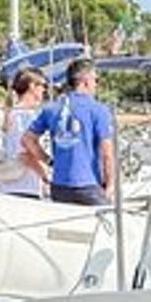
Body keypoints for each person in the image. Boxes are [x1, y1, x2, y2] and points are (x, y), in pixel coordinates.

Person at [23, 57, 115, 206]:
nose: (96, 85)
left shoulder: (51, 108)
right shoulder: (99, 110)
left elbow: (27, 139)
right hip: (88, 185)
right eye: (95, 80)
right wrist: (110, 186)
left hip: (59, 186)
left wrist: (49, 160)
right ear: (86, 81)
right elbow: (107, 154)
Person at [0, 68, 49, 198]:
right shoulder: (25, 116)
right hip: (24, 188)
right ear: (32, 86)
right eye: (42, 85)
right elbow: (26, 154)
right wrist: (47, 176)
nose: (44, 90)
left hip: (9, 187)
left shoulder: (12, 114)